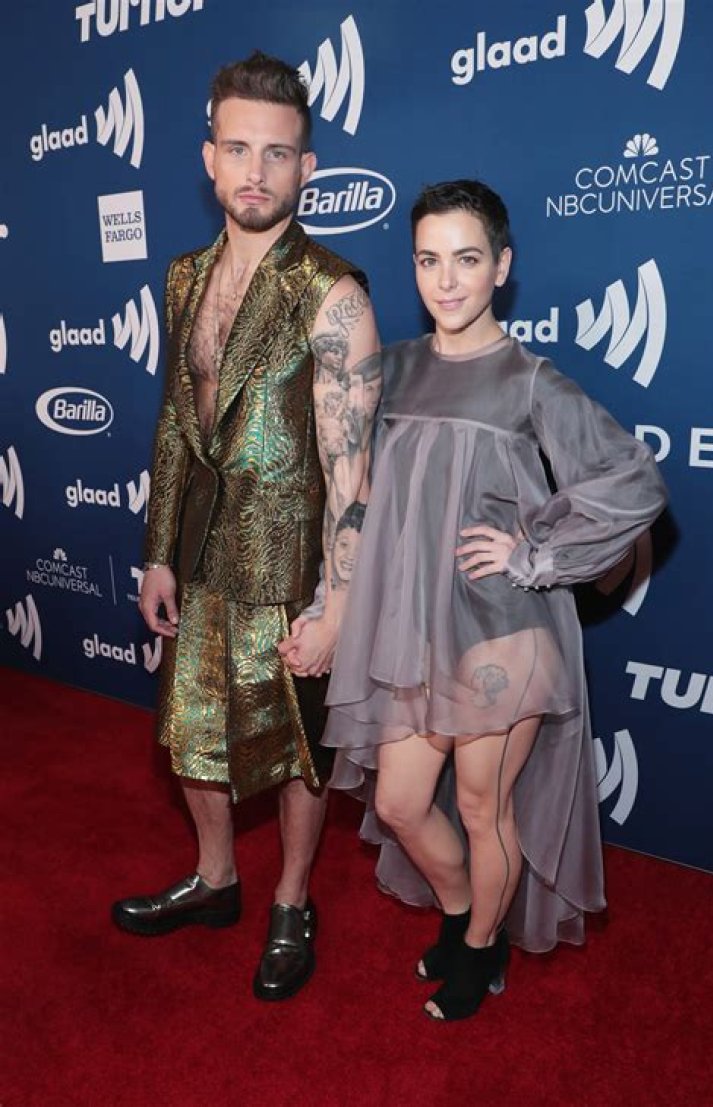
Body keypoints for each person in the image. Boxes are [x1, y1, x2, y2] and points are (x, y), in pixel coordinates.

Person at [315, 180, 667, 1021]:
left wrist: (535, 554)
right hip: (415, 630)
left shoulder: (530, 380)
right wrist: (330, 598)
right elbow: (356, 497)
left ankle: (479, 947)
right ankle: (466, 912)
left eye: (467, 259)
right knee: (400, 803)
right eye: (428, 260)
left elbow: (635, 482)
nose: (446, 280)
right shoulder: (394, 368)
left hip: (503, 629)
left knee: (482, 806)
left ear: (502, 266)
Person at [111, 51, 380, 1003]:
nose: (255, 171)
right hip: (199, 554)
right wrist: (156, 553)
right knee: (189, 734)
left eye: (276, 153)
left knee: (299, 747)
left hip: (290, 562)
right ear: (209, 159)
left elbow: (354, 472)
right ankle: (216, 878)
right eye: (237, 149)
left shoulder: (332, 292)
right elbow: (175, 420)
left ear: (307, 168)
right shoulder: (184, 277)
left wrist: (337, 601)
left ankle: (292, 900)